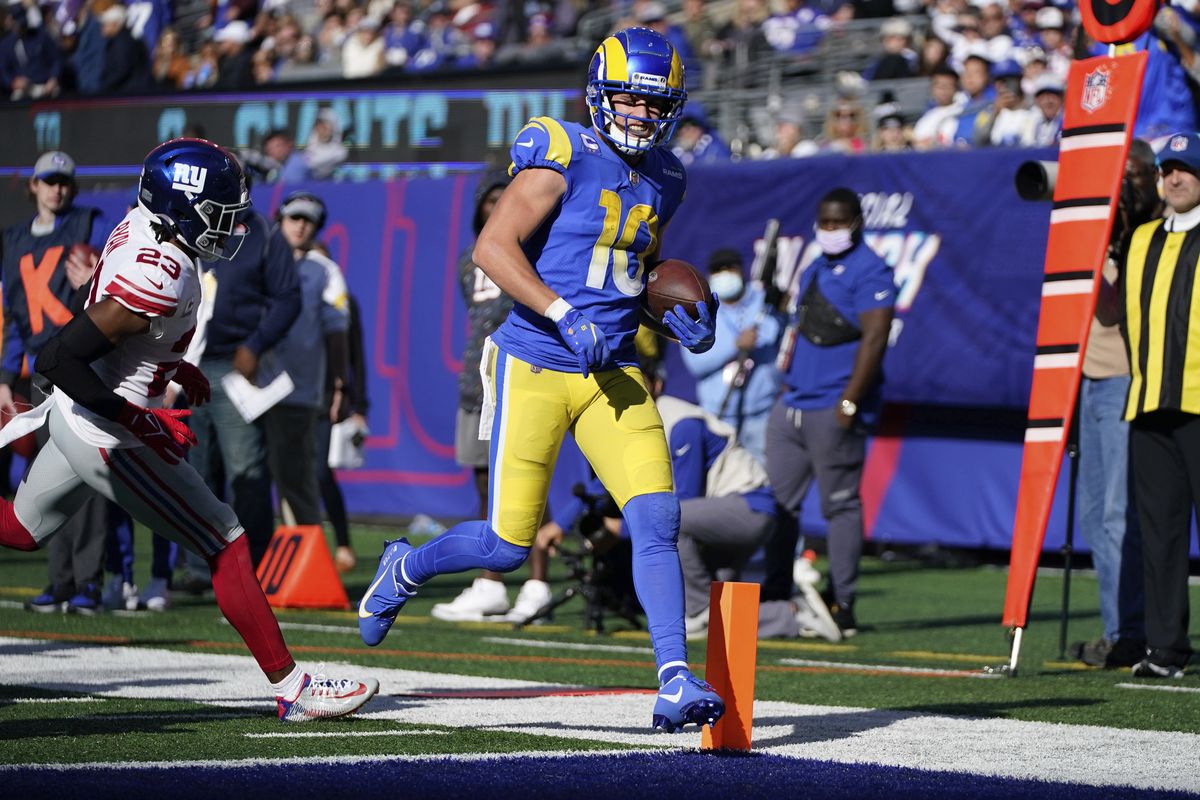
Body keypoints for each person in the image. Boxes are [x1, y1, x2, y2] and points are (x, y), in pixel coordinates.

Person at [358, 27, 725, 733]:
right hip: (533, 359)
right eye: (630, 100)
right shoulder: (562, 153)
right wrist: (560, 312)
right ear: (598, 95)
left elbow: (628, 268)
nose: (644, 116)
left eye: (657, 105)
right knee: (506, 543)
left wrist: (682, 314)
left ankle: (674, 679)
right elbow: (492, 248)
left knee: (657, 518)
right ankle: (405, 568)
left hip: (611, 370)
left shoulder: (668, 176)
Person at [0, 137, 377, 720]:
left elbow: (119, 337)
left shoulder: (147, 227)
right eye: (218, 214)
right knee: (225, 539)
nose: (229, 226)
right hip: (107, 433)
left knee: (22, 530)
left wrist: (175, 367)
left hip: (81, 418)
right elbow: (57, 358)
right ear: (181, 207)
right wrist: (137, 417)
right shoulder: (162, 270)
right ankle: (294, 689)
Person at [1, 150, 134, 614]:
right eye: (49, 180)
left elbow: (117, 271)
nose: (57, 188)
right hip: (40, 370)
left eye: (64, 181)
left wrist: (96, 269)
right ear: (33, 185)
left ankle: (88, 580)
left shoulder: (90, 224)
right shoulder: (15, 239)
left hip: (83, 363)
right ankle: (59, 580)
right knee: (45, 476)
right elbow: (15, 315)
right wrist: (4, 375)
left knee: (88, 471)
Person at [764, 187, 894, 637]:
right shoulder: (816, 266)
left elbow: (875, 337)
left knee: (839, 505)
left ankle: (844, 603)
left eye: (839, 222)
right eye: (825, 222)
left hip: (833, 402)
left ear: (857, 222)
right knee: (777, 503)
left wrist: (850, 399)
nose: (831, 230)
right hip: (794, 400)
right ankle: (775, 593)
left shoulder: (871, 269)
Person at [431, 171, 547, 623]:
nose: (497, 206)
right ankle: (491, 580)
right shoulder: (469, 261)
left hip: (516, 373)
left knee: (525, 476)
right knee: (484, 482)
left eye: (505, 199)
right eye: (490, 200)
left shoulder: (532, 253)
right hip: (476, 379)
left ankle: (537, 582)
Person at [176, 167, 301, 586]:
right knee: (196, 470)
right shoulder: (190, 223)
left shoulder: (262, 233)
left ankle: (256, 567)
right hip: (187, 363)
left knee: (245, 469)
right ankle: (199, 567)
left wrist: (257, 343)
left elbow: (288, 297)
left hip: (234, 365)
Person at [1111, 132, 1200, 679]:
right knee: (1161, 534)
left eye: (1187, 169)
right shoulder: (1140, 238)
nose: (1175, 178)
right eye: (1168, 169)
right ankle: (1166, 649)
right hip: (1147, 402)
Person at [1071, 140, 1160, 669]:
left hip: (1126, 380)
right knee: (1093, 515)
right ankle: (1119, 628)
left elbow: (1115, 313)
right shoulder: (1104, 232)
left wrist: (1105, 248)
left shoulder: (1148, 237)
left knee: (1117, 513)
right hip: (1089, 379)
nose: (1121, 187)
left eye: (1130, 176)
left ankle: (1133, 630)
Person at [261, 191, 351, 533]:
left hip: (298, 390)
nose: (300, 226)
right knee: (250, 479)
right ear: (280, 220)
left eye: (308, 220)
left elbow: (337, 331)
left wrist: (340, 385)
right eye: (294, 217)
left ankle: (307, 564)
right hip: (250, 385)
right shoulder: (258, 261)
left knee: (297, 480)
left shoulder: (326, 271)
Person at [681, 248, 781, 462]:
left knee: (763, 481)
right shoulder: (698, 309)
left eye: (730, 268)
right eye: (718, 270)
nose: (725, 274)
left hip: (760, 415)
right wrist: (735, 345)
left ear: (741, 271)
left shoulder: (763, 301)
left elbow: (772, 334)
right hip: (719, 416)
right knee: (721, 483)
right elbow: (695, 363)